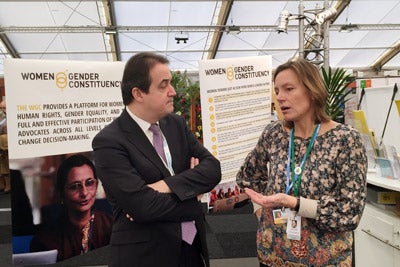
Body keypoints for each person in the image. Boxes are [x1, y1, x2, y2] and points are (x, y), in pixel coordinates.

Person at [92, 52, 221, 267]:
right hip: (146, 255)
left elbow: (212, 169)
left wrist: (164, 186)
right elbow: (142, 207)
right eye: (163, 85)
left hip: (192, 248)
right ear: (138, 93)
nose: (172, 91)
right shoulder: (109, 141)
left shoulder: (176, 124)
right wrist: (195, 196)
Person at [236, 58, 367, 267]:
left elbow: (349, 212)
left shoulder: (345, 139)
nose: (280, 97)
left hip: (326, 259)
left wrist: (295, 203)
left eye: (288, 89)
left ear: (312, 91)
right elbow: (247, 176)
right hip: (273, 255)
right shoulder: (274, 134)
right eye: (277, 90)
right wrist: (261, 211)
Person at [30, 154, 112, 262]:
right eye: (74, 186)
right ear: (62, 193)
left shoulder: (113, 227)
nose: (84, 193)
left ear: (96, 186)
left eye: (89, 183)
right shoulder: (45, 241)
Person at [0, 100, 10, 193]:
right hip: (1, 141)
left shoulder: (11, 116)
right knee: (2, 165)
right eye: (1, 108)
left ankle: (9, 185)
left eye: (4, 107)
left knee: (7, 164)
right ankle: (4, 185)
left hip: (7, 141)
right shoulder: (1, 117)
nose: (3, 110)